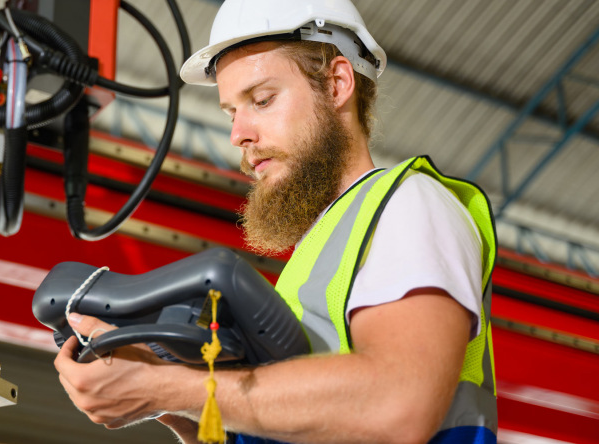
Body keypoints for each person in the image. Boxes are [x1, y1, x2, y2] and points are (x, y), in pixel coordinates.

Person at [54, 0, 498, 442]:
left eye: (262, 99)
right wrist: (168, 400)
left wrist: (174, 388)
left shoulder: (408, 203)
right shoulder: (316, 259)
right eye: (232, 112)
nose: (238, 134)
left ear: (338, 83)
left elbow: (399, 406)